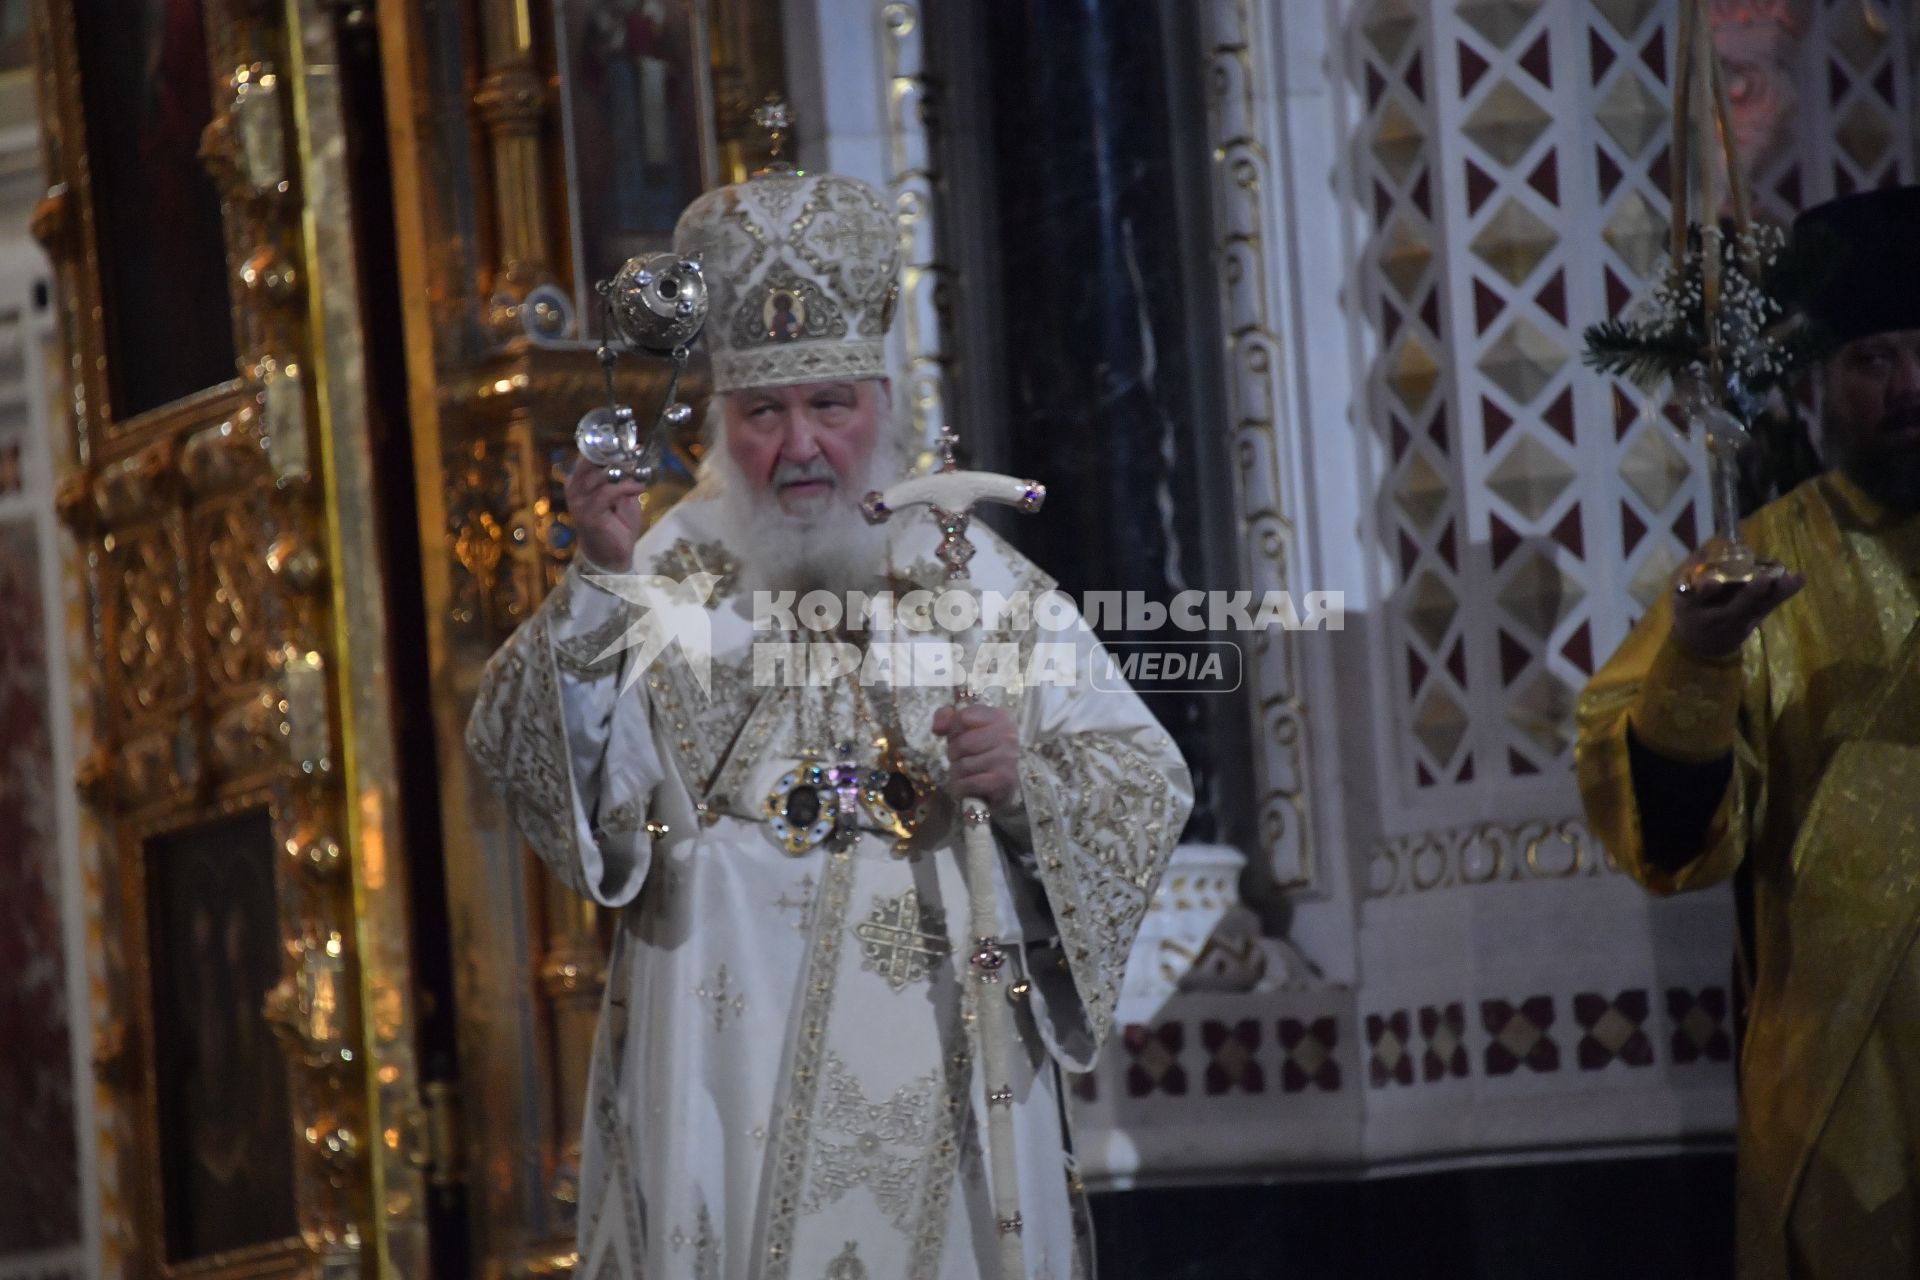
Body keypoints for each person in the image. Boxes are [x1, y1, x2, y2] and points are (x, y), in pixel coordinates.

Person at [466, 167, 1192, 1278]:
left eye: (829, 406)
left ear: (882, 410)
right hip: (723, 1060)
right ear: (722, 423)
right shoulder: (661, 570)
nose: (798, 444)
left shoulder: (973, 575)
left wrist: (1022, 782)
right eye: (763, 412)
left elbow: (1143, 777)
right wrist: (596, 591)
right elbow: (534, 763)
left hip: (945, 1066)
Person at [1576, 184, 1920, 1280]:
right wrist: (1701, 661)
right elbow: (1672, 844)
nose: (1911, 387)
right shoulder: (1761, 566)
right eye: (1874, 359)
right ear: (1811, 384)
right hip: (1848, 1088)